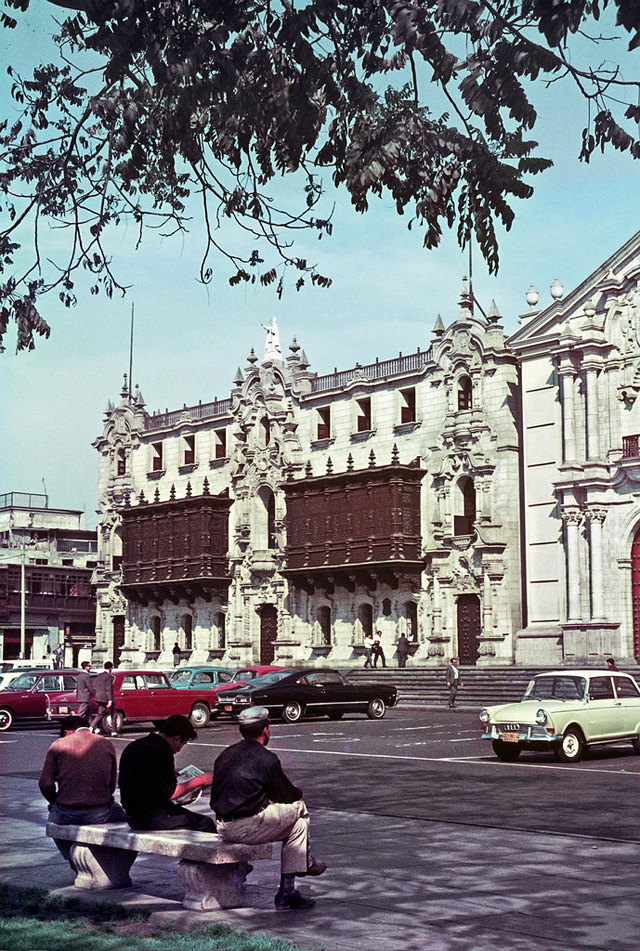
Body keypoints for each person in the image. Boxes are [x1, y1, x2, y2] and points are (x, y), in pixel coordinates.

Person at [210, 706, 326, 912]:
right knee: (300, 808)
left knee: (298, 826)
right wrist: (299, 794)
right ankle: (302, 867)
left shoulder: (226, 754)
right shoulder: (267, 759)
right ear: (266, 730)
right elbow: (287, 795)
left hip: (222, 824)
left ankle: (288, 893)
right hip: (246, 826)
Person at [39, 715, 124, 857]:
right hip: (101, 812)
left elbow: (45, 784)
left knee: (53, 821)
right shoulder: (106, 744)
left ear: (67, 732)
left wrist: (54, 802)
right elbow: (111, 786)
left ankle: (71, 858)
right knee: (122, 817)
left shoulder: (59, 745)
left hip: (66, 813)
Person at [119, 714, 216, 832]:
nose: (180, 749)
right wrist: (200, 780)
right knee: (206, 823)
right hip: (149, 817)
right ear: (176, 738)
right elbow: (170, 793)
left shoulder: (137, 745)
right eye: (182, 744)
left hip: (132, 813)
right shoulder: (163, 751)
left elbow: (145, 775)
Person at [90, 661, 115, 734]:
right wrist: (110, 700)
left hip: (99, 697)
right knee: (113, 714)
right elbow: (108, 689)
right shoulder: (109, 676)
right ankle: (114, 731)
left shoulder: (99, 675)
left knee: (100, 714)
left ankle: (91, 727)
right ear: (111, 668)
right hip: (106, 698)